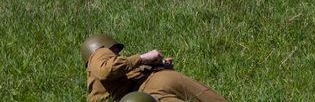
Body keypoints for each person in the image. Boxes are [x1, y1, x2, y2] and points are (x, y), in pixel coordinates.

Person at [81, 34, 228, 102]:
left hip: (149, 90)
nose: (118, 55)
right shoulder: (99, 54)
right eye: (115, 51)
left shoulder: (100, 61)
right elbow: (106, 69)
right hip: (153, 88)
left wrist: (154, 64)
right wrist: (143, 58)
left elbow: (108, 70)